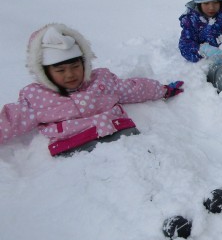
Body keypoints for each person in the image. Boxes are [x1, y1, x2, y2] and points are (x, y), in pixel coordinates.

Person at [0, 23, 183, 156]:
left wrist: (162, 90)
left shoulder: (101, 81)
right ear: (45, 72)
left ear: (84, 63)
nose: (70, 75)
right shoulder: (36, 98)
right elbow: (11, 119)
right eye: (60, 70)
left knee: (147, 164)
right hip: (73, 147)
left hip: (121, 134)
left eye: (75, 66)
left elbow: (133, 89)